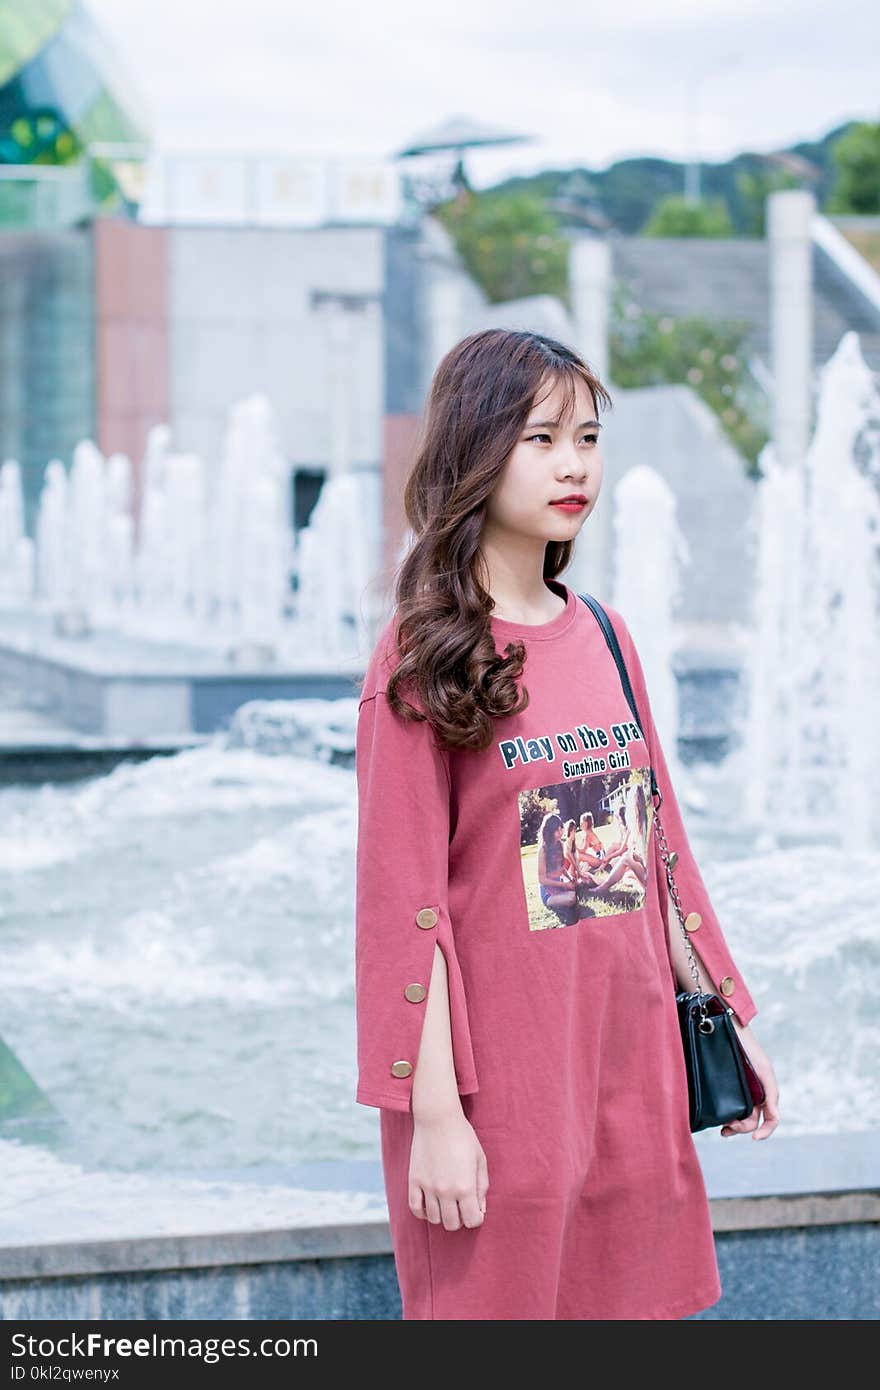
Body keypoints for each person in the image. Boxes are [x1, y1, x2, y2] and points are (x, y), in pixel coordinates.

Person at [354, 327, 780, 1321]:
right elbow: (400, 908)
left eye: (586, 437)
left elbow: (648, 852)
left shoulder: (603, 635)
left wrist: (729, 1014)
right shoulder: (424, 657)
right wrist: (435, 1117)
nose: (573, 464)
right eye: (540, 437)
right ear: (475, 446)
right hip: (501, 1090)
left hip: (626, 1073)